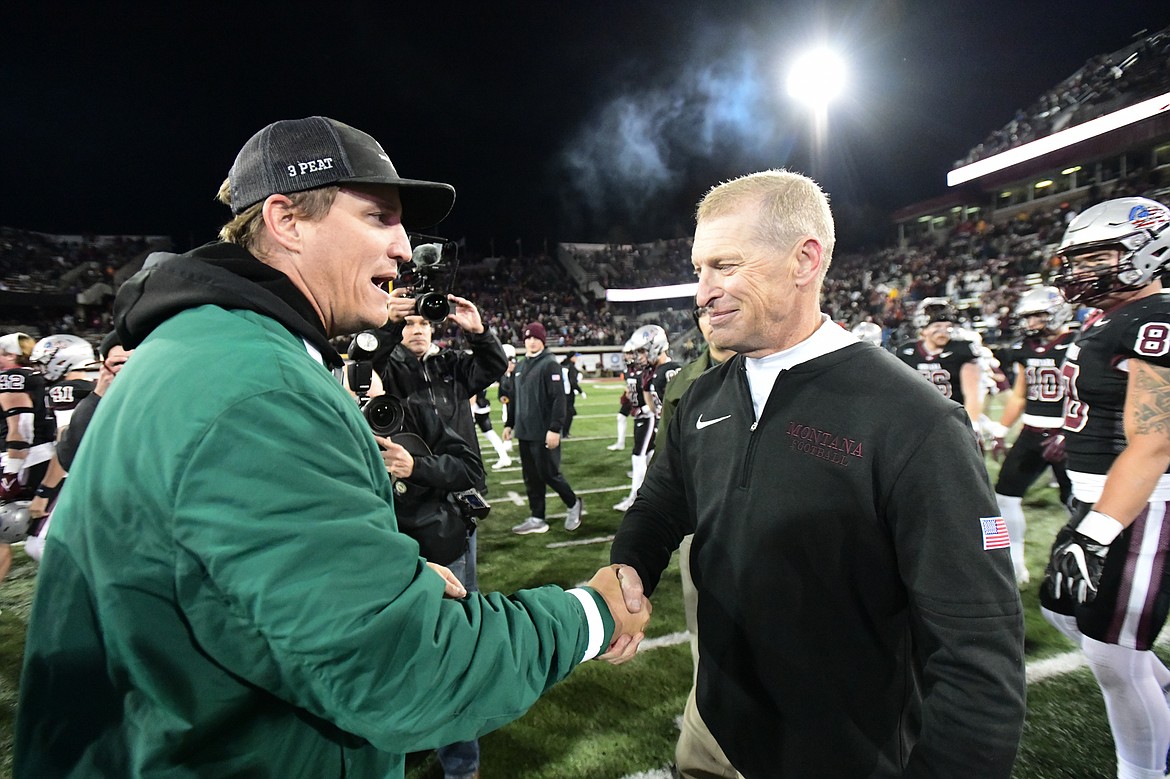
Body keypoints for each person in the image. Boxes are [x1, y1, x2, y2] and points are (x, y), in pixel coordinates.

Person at [15, 116, 649, 779]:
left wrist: (377, 574)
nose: (406, 247)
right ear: (287, 219)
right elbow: (407, 671)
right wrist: (591, 612)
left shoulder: (208, 348)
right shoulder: (257, 388)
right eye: (379, 217)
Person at [610, 169, 1025, 777]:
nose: (702, 292)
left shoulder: (916, 420)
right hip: (714, 729)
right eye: (699, 270)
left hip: (846, 751)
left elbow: (978, 648)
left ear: (806, 260)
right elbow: (660, 505)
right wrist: (630, 566)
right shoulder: (702, 397)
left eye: (725, 266)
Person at [1040, 196, 1170, 779]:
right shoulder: (1108, 317)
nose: (1081, 269)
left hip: (1143, 504)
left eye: (1097, 255)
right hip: (1099, 498)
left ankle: (1144, 771)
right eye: (1077, 258)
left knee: (1112, 658)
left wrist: (1096, 532)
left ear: (1150, 250)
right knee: (1062, 609)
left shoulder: (1156, 318)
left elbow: (1156, 441)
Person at [654, 305, 738, 779]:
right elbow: (669, 467)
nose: (711, 320)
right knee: (707, 643)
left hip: (763, 532)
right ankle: (710, 748)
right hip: (701, 530)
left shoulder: (773, 367)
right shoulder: (685, 379)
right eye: (702, 314)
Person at [990, 285, 1075, 585]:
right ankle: (1013, 562)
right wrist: (1001, 429)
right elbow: (1019, 396)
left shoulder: (1080, 342)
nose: (1031, 324)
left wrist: (1070, 431)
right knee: (1004, 497)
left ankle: (1086, 562)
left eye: (1038, 316)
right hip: (1031, 433)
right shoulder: (1026, 349)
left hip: (1070, 435)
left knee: (1076, 503)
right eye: (1028, 317)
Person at [22, 334, 99, 562]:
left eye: (44, 361)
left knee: (41, 545)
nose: (40, 368)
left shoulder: (64, 390)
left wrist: (44, 492)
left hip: (77, 476)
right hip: (100, 471)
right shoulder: (94, 387)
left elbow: (67, 441)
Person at [504, 321, 584, 535]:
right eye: (528, 338)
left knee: (549, 473)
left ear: (542, 340)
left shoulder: (550, 364)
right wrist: (509, 424)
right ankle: (537, 517)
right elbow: (514, 398)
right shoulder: (520, 366)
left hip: (543, 431)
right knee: (531, 477)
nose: (531, 342)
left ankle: (573, 503)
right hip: (524, 432)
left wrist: (555, 428)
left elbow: (559, 399)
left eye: (535, 338)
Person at [0, 332, 55, 584]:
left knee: (26, 537)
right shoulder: (33, 376)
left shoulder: (13, 377)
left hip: (21, 459)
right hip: (36, 457)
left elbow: (21, 427)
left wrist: (12, 472)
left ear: (11, 355)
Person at [613, 324, 679, 512]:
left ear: (655, 346)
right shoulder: (653, 373)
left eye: (642, 350)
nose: (638, 356)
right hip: (664, 427)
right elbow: (653, 407)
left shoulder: (669, 371)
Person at [895, 297, 984, 426]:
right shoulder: (906, 352)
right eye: (937, 326)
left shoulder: (961, 350)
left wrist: (972, 426)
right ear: (923, 329)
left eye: (947, 326)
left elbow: (972, 394)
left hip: (952, 419)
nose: (943, 332)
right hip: (916, 419)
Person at [606, 342, 640, 451]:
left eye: (630, 353)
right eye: (626, 353)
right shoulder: (627, 369)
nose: (628, 356)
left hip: (642, 399)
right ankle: (621, 443)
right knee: (621, 417)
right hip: (632, 398)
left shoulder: (641, 367)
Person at [560, 352, 583, 437]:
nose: (576, 359)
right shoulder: (571, 367)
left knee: (563, 412)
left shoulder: (561, 365)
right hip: (568, 393)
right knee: (569, 413)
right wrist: (580, 391)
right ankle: (565, 432)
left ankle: (563, 431)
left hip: (561, 393)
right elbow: (572, 381)